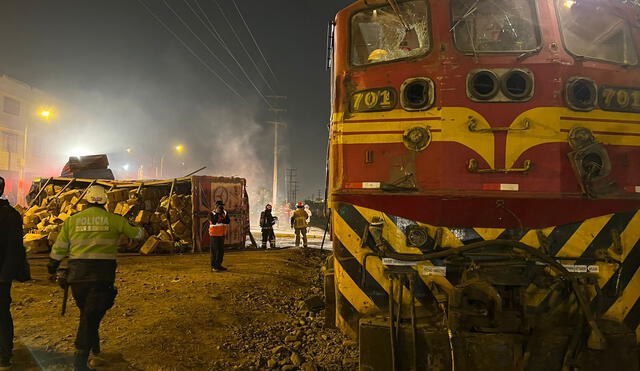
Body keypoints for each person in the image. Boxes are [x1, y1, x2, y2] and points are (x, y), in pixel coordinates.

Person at [48, 185, 144, 371]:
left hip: (77, 277)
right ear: (106, 202)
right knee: (90, 317)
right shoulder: (115, 220)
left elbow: (59, 247)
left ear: (86, 200)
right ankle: (80, 361)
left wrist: (53, 266)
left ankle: (95, 346)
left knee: (88, 312)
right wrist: (138, 226)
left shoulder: (72, 221)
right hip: (102, 277)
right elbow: (138, 234)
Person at [0, 177, 30, 370]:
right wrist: (7, 275)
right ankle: (4, 356)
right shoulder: (11, 215)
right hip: (2, 276)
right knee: (2, 315)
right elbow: (15, 248)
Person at [209, 200, 230, 272]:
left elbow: (227, 221)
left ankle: (219, 265)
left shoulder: (225, 213)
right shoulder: (212, 213)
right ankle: (214, 266)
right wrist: (217, 214)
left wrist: (222, 217)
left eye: (222, 206)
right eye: (220, 206)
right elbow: (214, 221)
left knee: (221, 251)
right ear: (216, 206)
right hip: (214, 234)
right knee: (215, 251)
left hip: (222, 234)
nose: (221, 207)